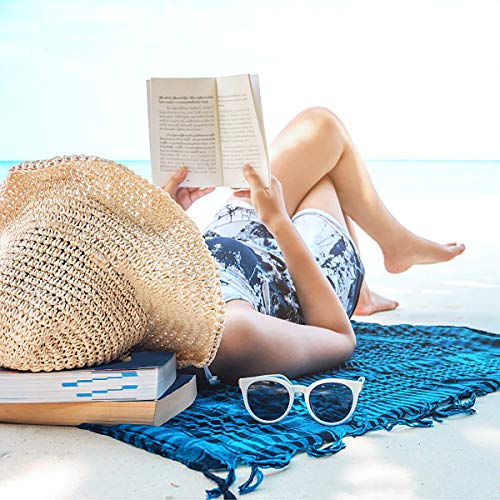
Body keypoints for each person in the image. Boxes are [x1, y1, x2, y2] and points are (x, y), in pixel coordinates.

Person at [165, 107, 465, 385]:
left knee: (321, 132)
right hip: (307, 279)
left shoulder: (146, 292)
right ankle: (386, 261)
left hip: (237, 233)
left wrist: (165, 218)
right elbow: (339, 337)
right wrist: (280, 223)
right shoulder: (233, 333)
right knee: (324, 169)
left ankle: (388, 259)